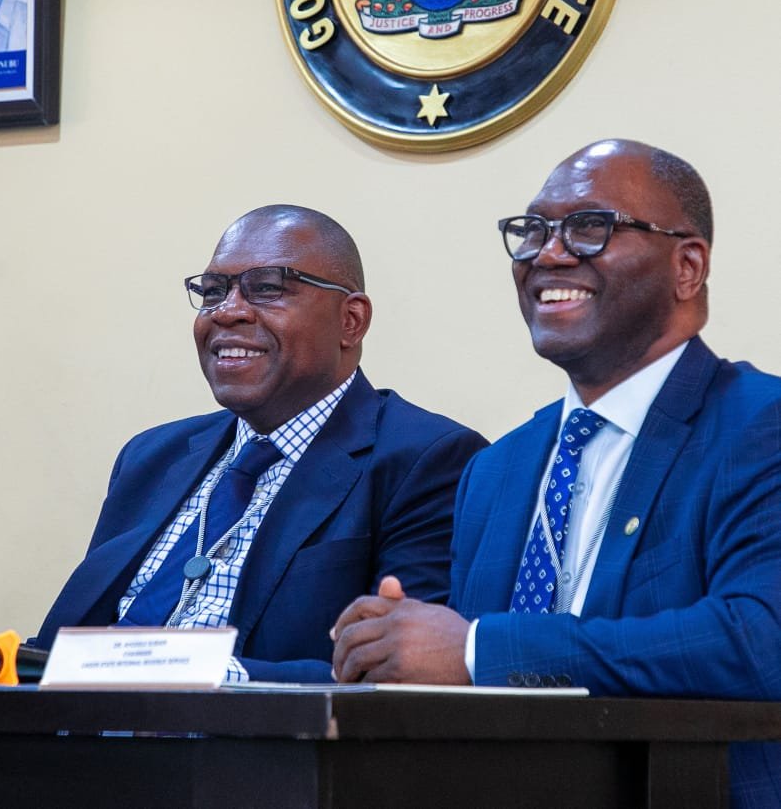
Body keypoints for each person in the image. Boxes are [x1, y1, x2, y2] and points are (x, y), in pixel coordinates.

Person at [331, 140, 781, 807]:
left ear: (687, 267)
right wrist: (386, 646)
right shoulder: (495, 469)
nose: (548, 254)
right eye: (532, 230)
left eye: (590, 227)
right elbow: (454, 674)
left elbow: (759, 642)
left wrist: (481, 650)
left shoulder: (759, 425)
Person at [35, 205, 487, 682]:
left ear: (351, 321)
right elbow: (65, 646)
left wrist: (188, 675)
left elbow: (397, 677)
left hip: (247, 728)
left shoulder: (429, 460)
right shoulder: (152, 457)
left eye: (267, 288)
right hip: (73, 723)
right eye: (213, 291)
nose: (227, 311)